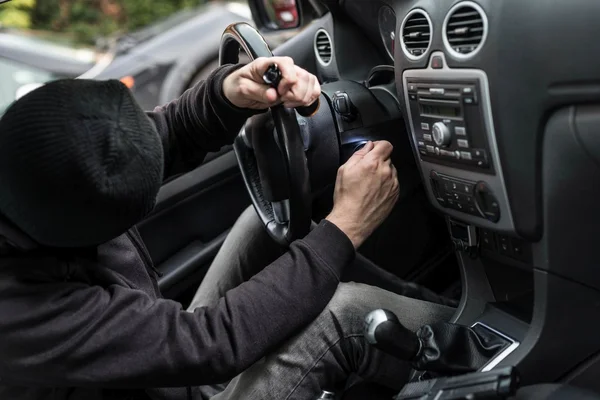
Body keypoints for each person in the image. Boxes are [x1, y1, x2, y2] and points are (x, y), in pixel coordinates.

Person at [0, 57, 454, 400]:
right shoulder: (17, 314)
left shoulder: (38, 162)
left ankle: (446, 311)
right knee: (348, 317)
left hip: (164, 384)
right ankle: (484, 350)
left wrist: (230, 91)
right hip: (181, 371)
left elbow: (164, 133)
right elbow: (208, 342)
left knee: (265, 227)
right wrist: (345, 227)